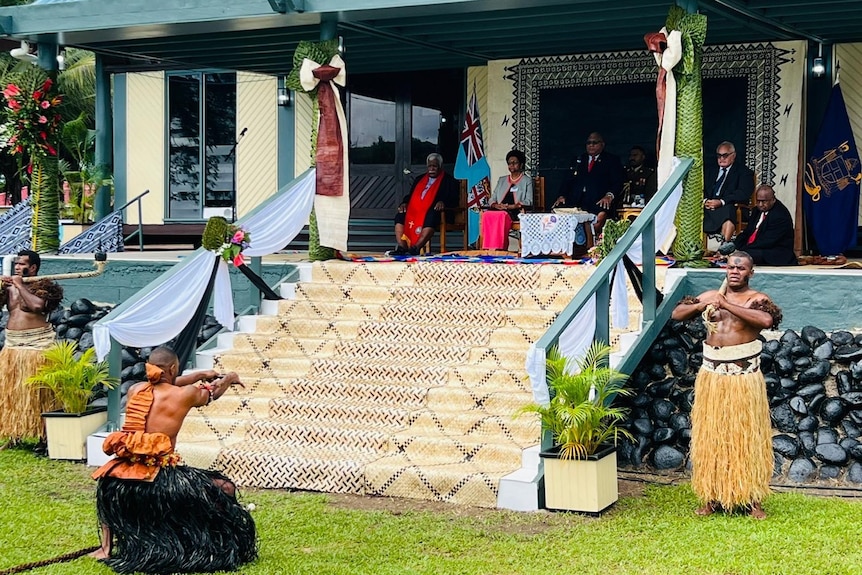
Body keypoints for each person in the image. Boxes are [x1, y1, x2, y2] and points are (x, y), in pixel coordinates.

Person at [91, 347, 257, 573]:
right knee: (224, 487)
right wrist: (230, 378)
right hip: (160, 477)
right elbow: (214, 392)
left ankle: (105, 548)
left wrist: (198, 375)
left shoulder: (135, 390)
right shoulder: (186, 394)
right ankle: (219, 544)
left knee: (107, 487)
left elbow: (167, 383)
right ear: (172, 368)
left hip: (121, 479)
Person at [671, 251, 781, 519]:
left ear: (750, 273)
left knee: (746, 437)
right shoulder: (710, 296)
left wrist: (727, 305)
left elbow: (766, 321)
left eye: (741, 268)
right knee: (713, 436)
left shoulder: (757, 299)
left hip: (743, 379)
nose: (735, 271)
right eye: (731, 267)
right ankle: (712, 495)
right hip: (713, 377)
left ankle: (752, 498)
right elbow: (677, 314)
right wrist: (701, 307)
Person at [0, 250, 63, 442]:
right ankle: (14, 432)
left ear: (33, 267)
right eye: (16, 264)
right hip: (13, 344)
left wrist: (20, 286)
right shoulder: (9, 288)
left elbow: (38, 307)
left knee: (40, 391)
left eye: (22, 264)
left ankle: (44, 436)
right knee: (13, 391)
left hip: (38, 344)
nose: (17, 267)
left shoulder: (45, 286)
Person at [553, 132, 623, 234]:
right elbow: (567, 181)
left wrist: (609, 195)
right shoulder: (579, 160)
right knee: (556, 211)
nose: (591, 145)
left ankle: (590, 243)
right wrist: (561, 195)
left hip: (598, 200)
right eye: (589, 143)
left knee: (601, 215)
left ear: (602, 144)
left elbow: (618, 182)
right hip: (577, 199)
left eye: (595, 143)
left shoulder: (611, 160)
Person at [390, 153, 460, 256]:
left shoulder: (449, 181)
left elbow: (454, 199)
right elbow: (411, 195)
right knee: (400, 216)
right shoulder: (419, 179)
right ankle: (402, 247)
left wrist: (443, 202)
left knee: (431, 215)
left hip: (438, 212)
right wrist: (404, 203)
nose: (431, 169)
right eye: (429, 166)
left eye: (434, 166)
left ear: (440, 167)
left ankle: (415, 248)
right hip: (416, 211)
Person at [720, 185, 797, 266]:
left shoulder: (780, 215)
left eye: (764, 201)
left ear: (773, 200)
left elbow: (767, 241)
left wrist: (742, 250)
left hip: (774, 252)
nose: (760, 204)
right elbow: (747, 232)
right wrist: (734, 245)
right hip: (755, 247)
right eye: (758, 201)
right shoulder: (757, 211)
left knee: (744, 256)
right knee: (734, 254)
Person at [481, 149, 534, 250]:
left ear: (521, 165)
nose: (512, 165)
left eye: (515, 163)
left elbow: (529, 201)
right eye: (509, 163)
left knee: (501, 215)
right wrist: (496, 205)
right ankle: (488, 247)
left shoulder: (527, 180)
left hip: (515, 211)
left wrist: (513, 206)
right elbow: (492, 199)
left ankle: (500, 247)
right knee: (487, 214)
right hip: (500, 209)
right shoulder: (502, 180)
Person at [704, 141, 754, 242]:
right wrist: (706, 201)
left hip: (730, 206)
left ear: (733, 155)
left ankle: (723, 248)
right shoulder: (710, 171)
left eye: (725, 155)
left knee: (729, 210)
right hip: (709, 206)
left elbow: (743, 193)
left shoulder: (743, 172)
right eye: (719, 156)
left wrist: (721, 202)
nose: (722, 159)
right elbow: (701, 188)